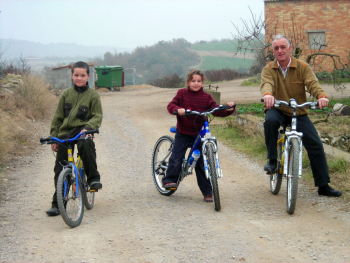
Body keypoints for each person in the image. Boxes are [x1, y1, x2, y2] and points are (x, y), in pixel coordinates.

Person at [260, 34, 342, 197]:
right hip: (277, 108)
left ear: (290, 49)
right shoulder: (268, 69)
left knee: (315, 144)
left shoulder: (303, 67)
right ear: (273, 51)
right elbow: (266, 84)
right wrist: (268, 95)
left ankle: (323, 185)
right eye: (276, 48)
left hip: (298, 111)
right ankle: (272, 160)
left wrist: (321, 96)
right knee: (270, 122)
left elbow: (313, 84)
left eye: (283, 47)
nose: (280, 51)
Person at [162, 69, 235, 202]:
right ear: (188, 82)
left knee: (202, 163)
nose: (196, 83)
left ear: (202, 82)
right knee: (177, 158)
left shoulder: (206, 97)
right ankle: (169, 180)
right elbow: (171, 105)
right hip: (183, 133)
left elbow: (215, 110)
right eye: (193, 81)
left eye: (199, 81)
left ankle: (207, 191)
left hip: (199, 135)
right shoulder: (181, 93)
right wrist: (177, 110)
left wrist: (228, 108)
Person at [46, 61, 103, 216]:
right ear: (72, 76)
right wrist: (54, 137)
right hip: (66, 132)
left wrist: (88, 128)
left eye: (82, 75)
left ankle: (93, 179)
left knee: (86, 145)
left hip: (83, 130)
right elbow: (58, 117)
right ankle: (58, 204)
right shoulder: (66, 94)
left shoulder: (93, 96)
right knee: (60, 168)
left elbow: (97, 116)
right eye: (76, 75)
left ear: (88, 76)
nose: (79, 78)